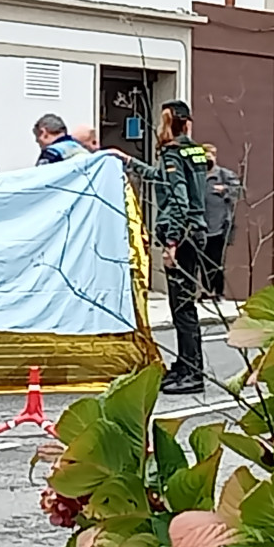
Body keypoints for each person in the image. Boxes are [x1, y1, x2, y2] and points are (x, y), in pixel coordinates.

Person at [110, 100, 208, 395]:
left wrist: (172, 243)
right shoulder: (194, 151)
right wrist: (129, 160)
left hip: (183, 237)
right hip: (196, 233)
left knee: (182, 308)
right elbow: (162, 178)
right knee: (183, 306)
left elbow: (179, 199)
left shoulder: (172, 153)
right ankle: (186, 364)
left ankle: (192, 371)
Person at [201, 143, 241, 300]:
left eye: (210, 155)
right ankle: (206, 290)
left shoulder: (224, 175)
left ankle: (218, 292)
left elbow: (239, 191)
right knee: (203, 261)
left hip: (219, 226)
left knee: (216, 260)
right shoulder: (198, 176)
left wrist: (224, 189)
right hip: (201, 226)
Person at [33, 114, 99, 165]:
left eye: (37, 137)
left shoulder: (51, 153)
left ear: (44, 133)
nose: (37, 141)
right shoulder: (83, 151)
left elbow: (39, 179)